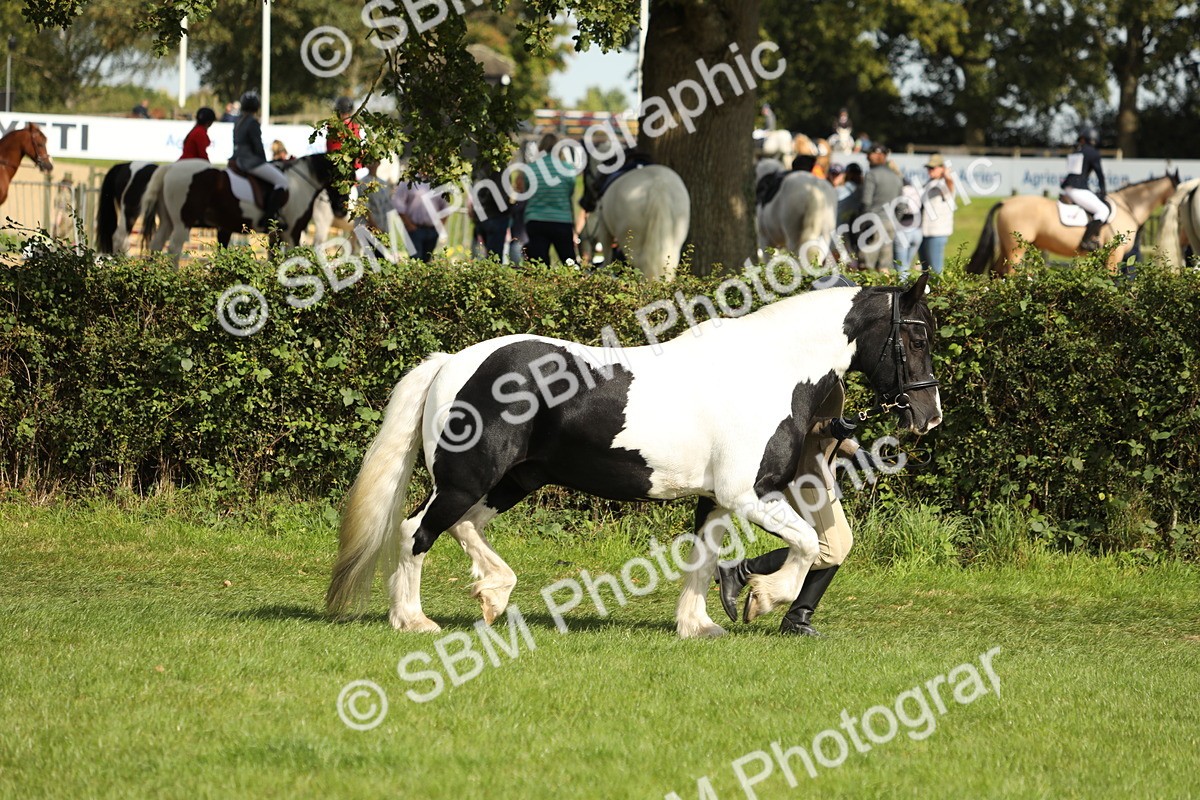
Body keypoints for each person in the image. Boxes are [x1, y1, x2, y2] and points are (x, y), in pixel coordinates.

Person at [716, 281, 880, 636]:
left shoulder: (828, 367)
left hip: (820, 469)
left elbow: (823, 428)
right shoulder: (805, 367)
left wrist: (854, 450)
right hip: (805, 473)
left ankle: (796, 616)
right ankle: (744, 572)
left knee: (839, 546)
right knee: (831, 550)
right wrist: (832, 427)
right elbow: (795, 424)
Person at [231, 91, 290, 233]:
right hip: (250, 162)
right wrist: (265, 162)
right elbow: (257, 146)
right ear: (257, 107)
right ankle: (269, 218)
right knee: (282, 181)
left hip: (236, 159)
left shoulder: (238, 121)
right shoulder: (252, 122)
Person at [522, 132, 578, 265]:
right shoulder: (568, 169)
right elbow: (569, 193)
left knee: (539, 265)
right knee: (569, 263)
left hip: (536, 220)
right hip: (562, 221)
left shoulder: (531, 168)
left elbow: (527, 193)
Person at [1060, 125, 1108, 251]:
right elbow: (1100, 175)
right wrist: (1103, 192)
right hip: (1078, 189)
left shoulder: (1076, 151)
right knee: (1103, 211)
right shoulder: (1093, 153)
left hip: (1067, 188)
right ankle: (1086, 240)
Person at [858, 144, 903, 271]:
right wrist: (894, 222)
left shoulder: (871, 175)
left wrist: (863, 224)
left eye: (869, 155)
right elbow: (901, 205)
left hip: (873, 223)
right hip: (889, 225)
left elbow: (866, 202)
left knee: (865, 265)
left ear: (878, 155)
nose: (867, 158)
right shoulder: (896, 176)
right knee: (884, 267)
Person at [918, 153, 956, 275]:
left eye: (933, 168)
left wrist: (947, 177)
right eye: (928, 168)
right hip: (924, 231)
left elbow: (950, 187)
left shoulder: (944, 183)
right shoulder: (929, 183)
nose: (930, 170)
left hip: (937, 232)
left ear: (942, 168)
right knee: (925, 270)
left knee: (935, 270)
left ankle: (938, 292)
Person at [392, 178, 446, 262]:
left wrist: (439, 227)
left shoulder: (439, 182)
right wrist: (409, 225)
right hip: (414, 229)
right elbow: (399, 204)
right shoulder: (408, 180)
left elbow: (445, 207)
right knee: (416, 260)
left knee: (426, 260)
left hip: (432, 230)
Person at [326, 96, 363, 218]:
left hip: (332, 170)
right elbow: (358, 154)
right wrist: (359, 164)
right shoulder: (354, 127)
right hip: (347, 173)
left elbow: (329, 148)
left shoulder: (331, 126)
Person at [471, 164, 511, 260]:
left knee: (482, 260)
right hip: (495, 217)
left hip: (482, 217)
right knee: (494, 260)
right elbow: (500, 199)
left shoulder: (478, 164)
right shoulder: (498, 167)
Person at [893, 175, 924, 277]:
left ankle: (903, 291)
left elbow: (899, 209)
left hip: (903, 230)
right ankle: (908, 288)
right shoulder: (917, 190)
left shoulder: (900, 191)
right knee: (907, 265)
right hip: (917, 231)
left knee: (901, 268)